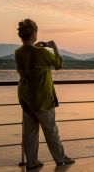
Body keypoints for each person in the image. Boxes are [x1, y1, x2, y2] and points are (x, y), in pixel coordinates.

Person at [14, 19, 75, 170]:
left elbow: (28, 60)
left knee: (30, 132)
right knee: (51, 130)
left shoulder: (18, 52)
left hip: (26, 97)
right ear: (34, 34)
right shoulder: (41, 52)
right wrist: (55, 48)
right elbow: (58, 64)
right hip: (41, 98)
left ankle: (31, 162)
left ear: (22, 35)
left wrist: (35, 47)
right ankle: (60, 158)